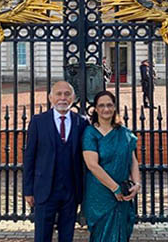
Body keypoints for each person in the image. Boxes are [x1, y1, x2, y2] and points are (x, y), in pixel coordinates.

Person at [23, 81, 89, 242]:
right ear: (50, 97)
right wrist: (28, 190)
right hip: (45, 189)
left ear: (73, 98)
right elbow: (29, 157)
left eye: (67, 94)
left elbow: (86, 159)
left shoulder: (82, 122)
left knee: (67, 235)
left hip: (71, 190)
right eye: (58, 94)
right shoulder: (38, 121)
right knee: (42, 235)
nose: (62, 98)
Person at [82, 90, 140, 242]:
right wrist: (115, 188)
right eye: (101, 105)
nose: (105, 109)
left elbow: (132, 160)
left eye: (109, 105)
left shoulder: (124, 133)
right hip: (100, 193)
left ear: (114, 107)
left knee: (121, 234)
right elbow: (92, 165)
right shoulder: (90, 133)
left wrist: (137, 183)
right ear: (95, 108)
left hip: (122, 193)